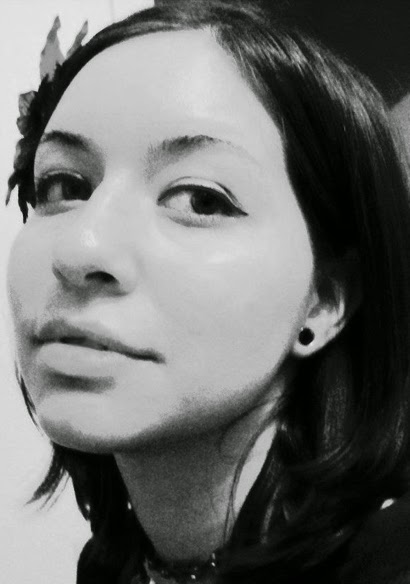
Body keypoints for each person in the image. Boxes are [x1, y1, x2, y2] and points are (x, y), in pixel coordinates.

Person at [6, 1, 410, 583]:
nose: (81, 248)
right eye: (64, 185)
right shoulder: (118, 567)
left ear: (325, 300)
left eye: (200, 199)